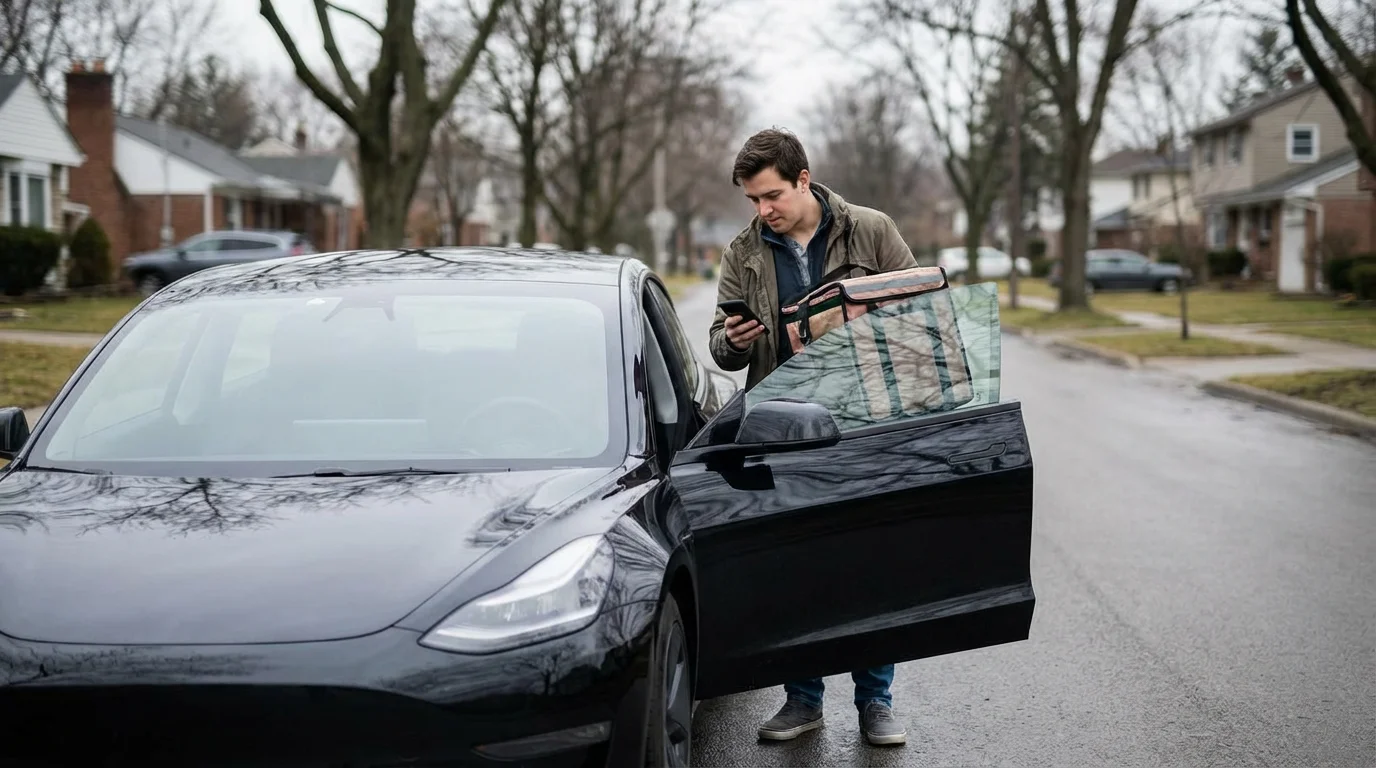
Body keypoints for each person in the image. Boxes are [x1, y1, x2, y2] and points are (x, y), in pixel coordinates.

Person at [708, 127, 916, 746]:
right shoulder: (741, 252)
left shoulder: (871, 229)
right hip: (783, 427)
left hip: (864, 421)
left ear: (803, 179)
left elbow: (920, 309)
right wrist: (733, 341)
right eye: (752, 200)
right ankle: (802, 701)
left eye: (770, 195)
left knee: (868, 565)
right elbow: (720, 342)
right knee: (794, 563)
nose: (762, 210)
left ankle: (876, 702)